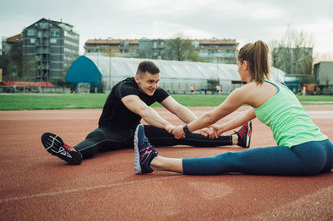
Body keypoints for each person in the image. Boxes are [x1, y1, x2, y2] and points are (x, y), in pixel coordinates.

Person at [134, 41, 333, 175]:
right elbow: (251, 113)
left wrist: (184, 130)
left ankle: (154, 161)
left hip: (306, 154)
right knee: (237, 158)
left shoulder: (247, 90)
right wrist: (222, 129)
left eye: (238, 64)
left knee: (230, 160)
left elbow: (211, 115)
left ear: (246, 64)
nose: (237, 68)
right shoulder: (279, 87)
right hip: (327, 150)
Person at [41, 61, 252, 165]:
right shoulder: (125, 89)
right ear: (138, 79)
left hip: (135, 132)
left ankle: (236, 139)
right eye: (150, 81)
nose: (154, 86)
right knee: (97, 137)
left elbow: (178, 109)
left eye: (157, 81)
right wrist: (169, 126)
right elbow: (143, 109)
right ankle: (72, 153)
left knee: (183, 135)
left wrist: (200, 125)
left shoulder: (155, 90)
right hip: (111, 131)